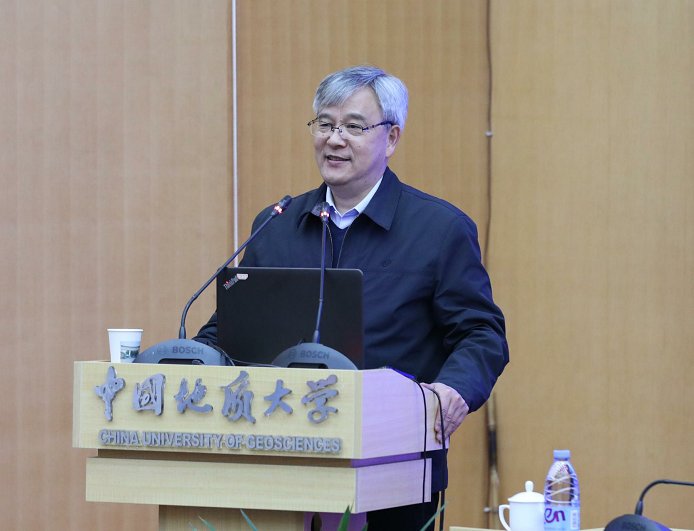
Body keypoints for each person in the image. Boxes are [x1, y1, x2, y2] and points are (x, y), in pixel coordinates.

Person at [195, 65, 508, 530]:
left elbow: (482, 333)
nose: (334, 139)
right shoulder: (276, 224)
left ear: (392, 137)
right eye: (325, 123)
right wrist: (179, 363)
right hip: (281, 460)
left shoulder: (439, 230)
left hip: (394, 468)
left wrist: (454, 390)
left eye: (354, 127)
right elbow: (232, 328)